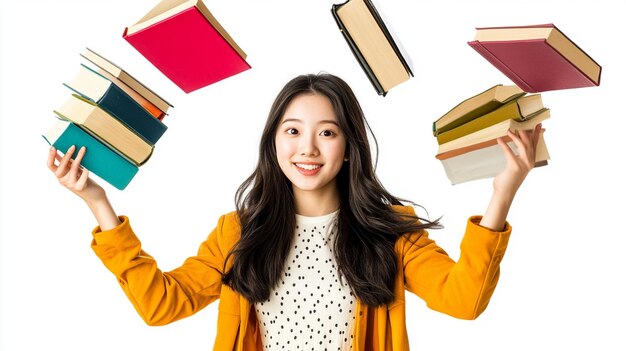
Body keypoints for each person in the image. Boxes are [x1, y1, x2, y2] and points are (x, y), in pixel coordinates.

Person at [47, 73, 542, 351]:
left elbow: (463, 301)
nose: (308, 147)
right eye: (292, 131)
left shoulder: (392, 231)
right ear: (273, 142)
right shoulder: (238, 232)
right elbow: (162, 306)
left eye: (327, 132)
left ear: (349, 147)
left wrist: (502, 195)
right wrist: (98, 202)